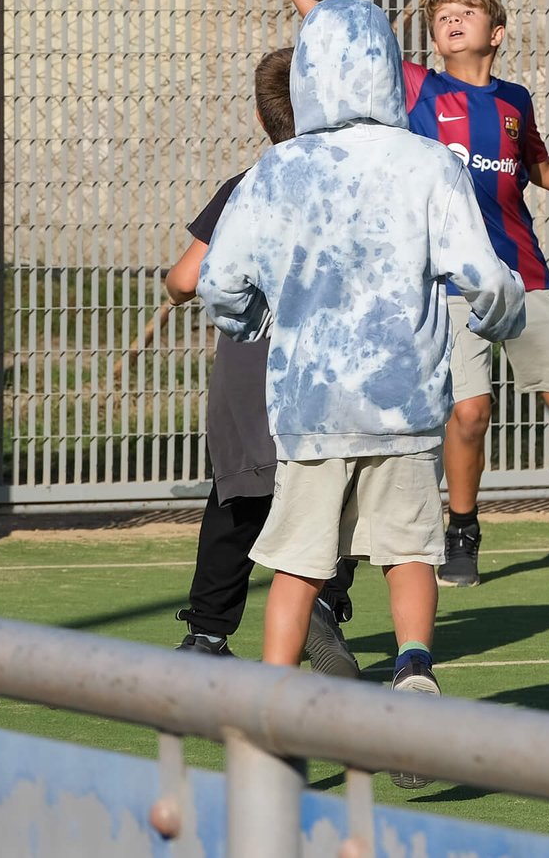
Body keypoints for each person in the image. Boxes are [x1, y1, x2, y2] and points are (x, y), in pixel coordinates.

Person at [241, 0, 549, 586]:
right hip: (447, 283)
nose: (450, 18)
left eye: (465, 12)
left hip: (521, 274)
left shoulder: (514, 101)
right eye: (442, 14)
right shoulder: (418, 89)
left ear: (495, 33)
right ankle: (464, 528)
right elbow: (334, 27)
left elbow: (540, 167)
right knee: (469, 414)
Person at [198, 0, 524, 789]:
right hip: (404, 399)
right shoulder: (428, 162)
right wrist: (502, 317)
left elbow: (220, 283)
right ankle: (412, 667)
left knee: (296, 566)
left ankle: (273, 722)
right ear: (386, 67)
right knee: (408, 551)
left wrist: (252, 318)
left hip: (309, 405)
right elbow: (485, 279)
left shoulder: (278, 169)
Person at [165, 47, 358, 678]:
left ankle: (207, 634)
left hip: (255, 365)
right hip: (332, 366)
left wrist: (179, 286)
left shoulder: (250, 184)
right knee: (331, 487)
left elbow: (186, 278)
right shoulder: (356, 183)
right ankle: (321, 601)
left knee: (240, 495)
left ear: (260, 115)